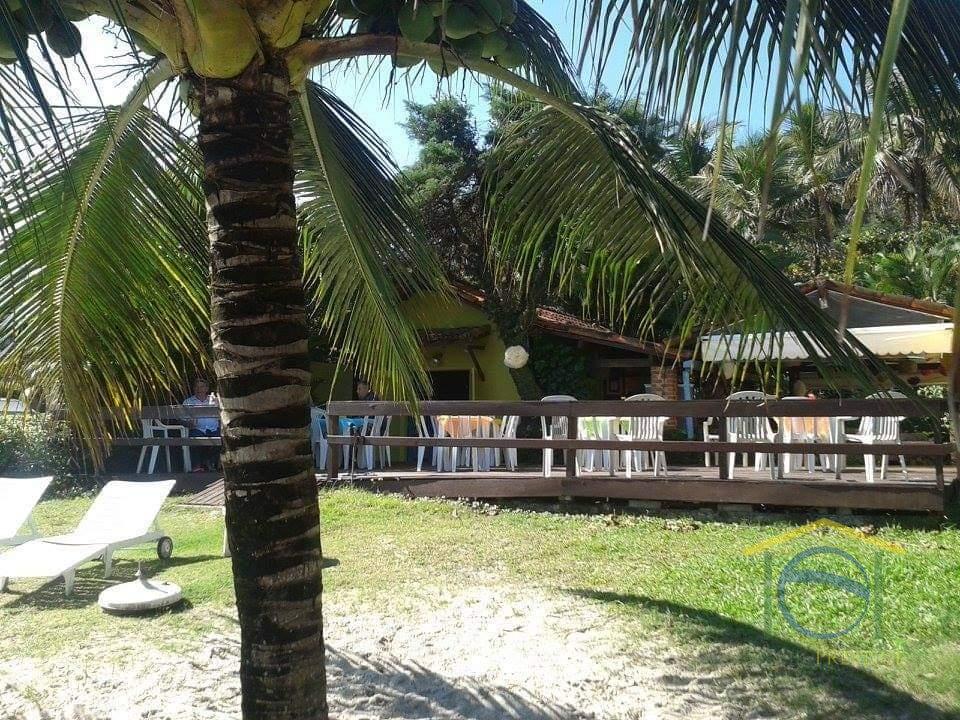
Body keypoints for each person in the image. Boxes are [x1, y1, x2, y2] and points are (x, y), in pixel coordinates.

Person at [183, 377, 220, 472]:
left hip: (213, 428)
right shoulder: (188, 402)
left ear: (207, 388)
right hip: (197, 429)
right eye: (197, 387)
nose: (199, 389)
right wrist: (189, 423)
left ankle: (209, 461)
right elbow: (182, 419)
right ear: (194, 388)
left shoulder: (214, 400)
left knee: (223, 439)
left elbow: (221, 415)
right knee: (195, 439)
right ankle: (197, 466)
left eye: (202, 387)